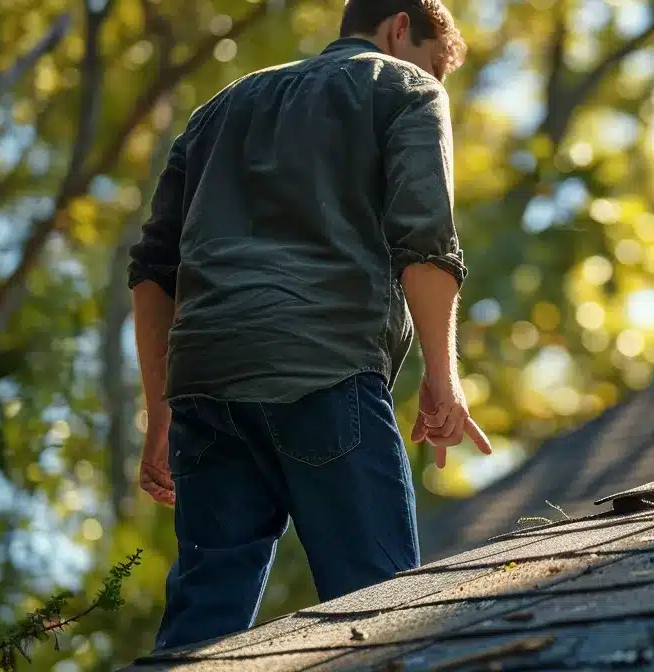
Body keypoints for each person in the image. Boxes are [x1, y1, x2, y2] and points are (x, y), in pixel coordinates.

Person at [126, 0, 489, 651]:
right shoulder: (404, 87)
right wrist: (443, 377)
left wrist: (160, 414)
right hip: (324, 375)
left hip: (206, 393)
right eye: (437, 64)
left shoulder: (220, 108)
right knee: (381, 623)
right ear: (399, 27)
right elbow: (425, 239)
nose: (438, 80)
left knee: (197, 632)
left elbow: (153, 270)